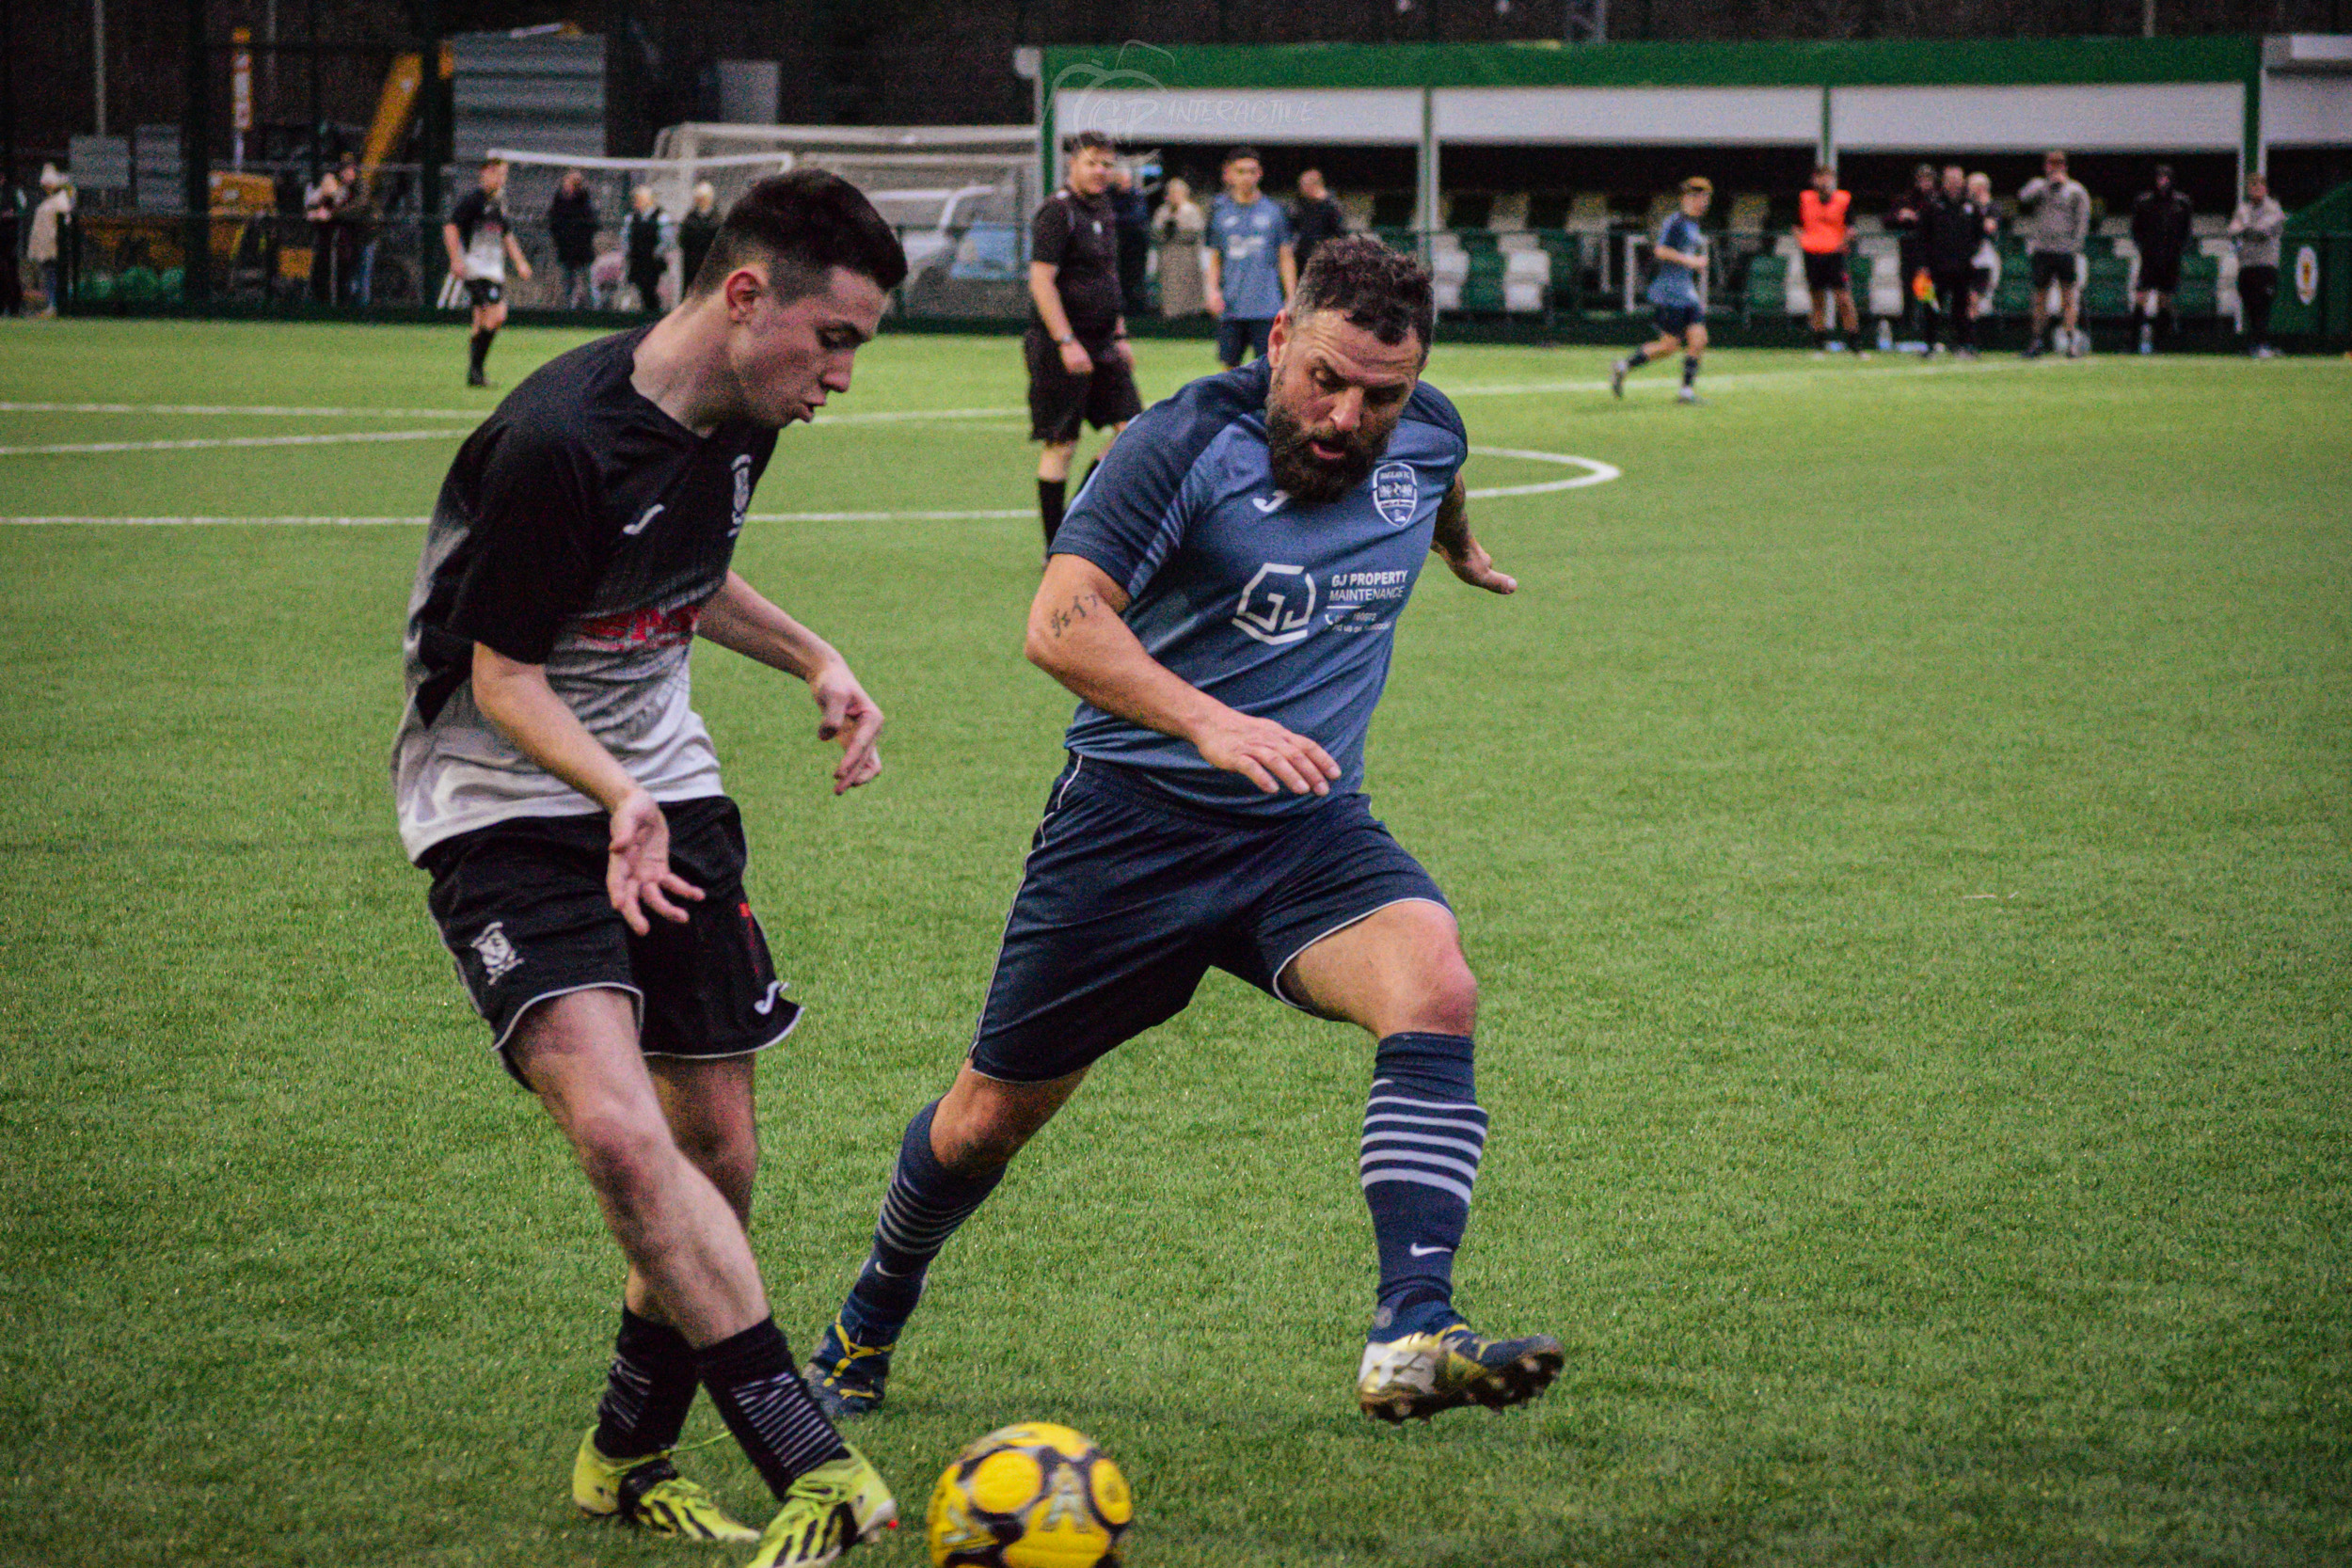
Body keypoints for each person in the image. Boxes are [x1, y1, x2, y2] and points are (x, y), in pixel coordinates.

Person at [801, 233, 1560, 1431]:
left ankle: (1412, 1325)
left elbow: (1438, 466)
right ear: (1276, 340)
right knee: (985, 1119)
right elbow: (1059, 622)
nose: (1348, 416)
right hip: (1129, 835)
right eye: (1325, 380)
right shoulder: (1177, 446)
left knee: (1435, 979)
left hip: (1305, 828)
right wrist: (1205, 720)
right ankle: (865, 1319)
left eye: (1381, 395)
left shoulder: (1427, 431)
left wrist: (1455, 543)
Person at [391, 169, 909, 1568]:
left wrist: (817, 655)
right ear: (747, 298)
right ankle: (810, 1459)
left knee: (714, 1154)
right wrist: (612, 791)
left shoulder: (746, 414)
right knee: (621, 1134)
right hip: (503, 799)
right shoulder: (559, 439)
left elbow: (687, 573)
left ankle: (623, 1453)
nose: (842, 377)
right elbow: (500, 676)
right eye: (835, 339)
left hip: (660, 788)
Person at [1025, 131, 1145, 554]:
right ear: (1072, 164)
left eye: (1107, 164)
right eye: (1092, 162)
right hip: (1062, 344)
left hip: (1103, 341)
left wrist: (1120, 332)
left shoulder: (1104, 210)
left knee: (1133, 435)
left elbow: (1108, 277)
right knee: (1062, 443)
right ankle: (1055, 549)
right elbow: (1042, 281)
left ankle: (1076, 521)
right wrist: (1065, 340)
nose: (1100, 171)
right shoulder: (1057, 212)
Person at [1611, 176, 1712, 404]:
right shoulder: (1675, 223)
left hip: (1687, 292)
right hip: (1670, 292)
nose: (1704, 203)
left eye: (1706, 198)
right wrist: (1691, 261)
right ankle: (1623, 366)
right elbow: (1661, 251)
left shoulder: (1693, 224)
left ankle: (1686, 392)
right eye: (1700, 198)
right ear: (1688, 198)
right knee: (1669, 346)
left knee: (1698, 340)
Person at [445, 157, 533, 387]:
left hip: (494, 271)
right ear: (484, 174)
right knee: (496, 315)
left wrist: (520, 262)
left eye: (504, 174)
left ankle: (475, 374)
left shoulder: (498, 203)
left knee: (482, 321)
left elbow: (507, 235)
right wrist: (455, 259)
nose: (501, 178)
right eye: (496, 173)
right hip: (476, 269)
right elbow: (450, 227)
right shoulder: (473, 201)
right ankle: (476, 372)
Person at [1206, 147, 1296, 368]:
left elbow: (1285, 257)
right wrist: (1211, 289)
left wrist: (1292, 296)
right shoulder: (1220, 213)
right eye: (1240, 171)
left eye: (1251, 171)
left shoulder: (1274, 212)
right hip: (1231, 306)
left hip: (1266, 307)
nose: (1246, 177)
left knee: (1270, 367)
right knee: (1230, 370)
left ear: (1259, 174)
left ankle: (1263, 404)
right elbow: (1214, 257)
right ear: (1230, 174)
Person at [2018, 150, 2091, 358]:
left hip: (2065, 251)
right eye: (2051, 164)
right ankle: (2037, 340)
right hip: (2042, 249)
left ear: (2065, 167)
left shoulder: (2076, 190)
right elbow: (2023, 199)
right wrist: (2046, 185)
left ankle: (2071, 341)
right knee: (2039, 297)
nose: (2055, 168)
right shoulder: (2039, 186)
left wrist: (2074, 246)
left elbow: (2083, 221)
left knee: (2068, 297)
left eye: (2059, 164)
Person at [1920, 165, 1988, 356]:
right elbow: (1923, 234)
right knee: (1932, 305)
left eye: (1958, 179)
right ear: (1944, 182)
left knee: (1961, 307)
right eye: (1950, 179)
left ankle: (1963, 344)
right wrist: (1924, 263)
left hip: (1963, 266)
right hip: (1936, 266)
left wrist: (1970, 254)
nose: (1954, 184)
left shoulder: (1970, 206)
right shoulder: (1933, 204)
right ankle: (1930, 344)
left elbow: (1978, 233)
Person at [1796, 165, 1862, 356]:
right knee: (1817, 301)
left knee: (1844, 300)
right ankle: (1819, 344)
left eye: (1828, 178)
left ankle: (1855, 344)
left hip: (1834, 256)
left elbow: (1851, 228)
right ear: (1814, 180)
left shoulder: (1843, 200)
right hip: (1812, 255)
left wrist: (1842, 243)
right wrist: (1803, 241)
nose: (1824, 182)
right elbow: (1797, 226)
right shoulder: (1805, 199)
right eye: (1821, 178)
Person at [2130, 165, 2195, 355]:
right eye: (2159, 178)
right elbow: (2136, 230)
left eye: (2166, 178)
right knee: (2141, 296)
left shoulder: (2182, 203)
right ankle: (2133, 341)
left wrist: (2176, 250)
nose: (2162, 181)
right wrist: (2145, 248)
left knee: (2165, 299)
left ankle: (2161, 342)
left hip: (2171, 258)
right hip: (2149, 257)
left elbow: (2186, 232)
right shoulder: (2144, 202)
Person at [2229, 172, 2286, 359]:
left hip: (2265, 264)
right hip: (2246, 265)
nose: (2255, 190)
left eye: (2259, 186)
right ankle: (2255, 345)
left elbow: (2263, 230)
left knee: (2262, 305)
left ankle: (2262, 344)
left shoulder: (2273, 208)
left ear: (2265, 189)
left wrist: (2245, 229)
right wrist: (2246, 229)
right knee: (2250, 306)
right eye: (2252, 187)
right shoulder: (2243, 208)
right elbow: (2232, 230)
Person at [1887, 164, 1937, 342]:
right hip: (1909, 250)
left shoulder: (1936, 200)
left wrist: (1920, 218)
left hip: (1928, 252)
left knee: (1926, 291)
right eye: (1921, 179)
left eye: (1928, 179)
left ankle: (1928, 330)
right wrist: (1901, 216)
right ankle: (1907, 330)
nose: (1925, 183)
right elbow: (1888, 219)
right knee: (1908, 291)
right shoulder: (1906, 199)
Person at [1151, 176, 1207, 319]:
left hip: (1187, 259)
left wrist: (1178, 228)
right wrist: (1166, 229)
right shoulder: (1163, 211)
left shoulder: (1191, 210)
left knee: (1189, 291)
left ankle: (1190, 316)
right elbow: (1155, 231)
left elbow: (1196, 230)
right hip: (1169, 258)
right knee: (1170, 291)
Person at [548, 168, 601, 309]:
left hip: (583, 251)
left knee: (589, 283)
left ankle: (595, 312)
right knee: (568, 284)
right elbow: (553, 224)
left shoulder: (585, 203)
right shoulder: (559, 202)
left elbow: (592, 225)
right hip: (566, 251)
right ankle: (568, 312)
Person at [1106, 164, 1152, 318]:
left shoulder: (1137, 196)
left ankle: (1137, 314)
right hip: (1115, 247)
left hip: (1135, 247)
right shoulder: (1109, 195)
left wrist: (1116, 219)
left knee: (1135, 280)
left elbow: (1137, 217)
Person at [27, 166, 72, 317]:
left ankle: (55, 305)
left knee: (53, 276)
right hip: (45, 247)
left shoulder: (60, 201)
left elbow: (63, 223)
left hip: (54, 247)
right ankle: (51, 304)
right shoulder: (48, 202)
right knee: (48, 275)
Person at [1290, 167, 1347, 274]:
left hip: (1325, 258)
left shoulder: (1331, 205)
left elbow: (1340, 233)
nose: (1302, 189)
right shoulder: (1300, 204)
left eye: (1305, 185)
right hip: (1303, 257)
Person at [624, 185, 670, 315]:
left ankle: (654, 317)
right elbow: (625, 239)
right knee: (638, 290)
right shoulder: (631, 218)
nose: (636, 203)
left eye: (639, 199)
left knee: (652, 291)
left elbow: (666, 241)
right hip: (636, 261)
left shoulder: (661, 217)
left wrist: (656, 254)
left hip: (653, 263)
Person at [1965, 172, 2001, 325]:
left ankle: (1974, 336)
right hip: (1964, 256)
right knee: (1966, 297)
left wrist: (1982, 208)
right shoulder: (1965, 205)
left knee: (1976, 298)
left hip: (1983, 258)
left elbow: (1990, 227)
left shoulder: (1992, 206)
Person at [305, 169, 342, 303]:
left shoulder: (337, 200)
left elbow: (336, 213)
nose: (326, 186)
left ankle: (331, 305)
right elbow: (309, 211)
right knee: (315, 276)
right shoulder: (319, 199)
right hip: (319, 245)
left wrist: (328, 215)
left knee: (331, 277)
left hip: (334, 246)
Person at [679, 182, 722, 295]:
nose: (701, 201)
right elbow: (682, 240)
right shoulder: (689, 219)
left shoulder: (718, 219)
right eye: (699, 198)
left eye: (704, 198)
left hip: (710, 263)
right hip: (691, 263)